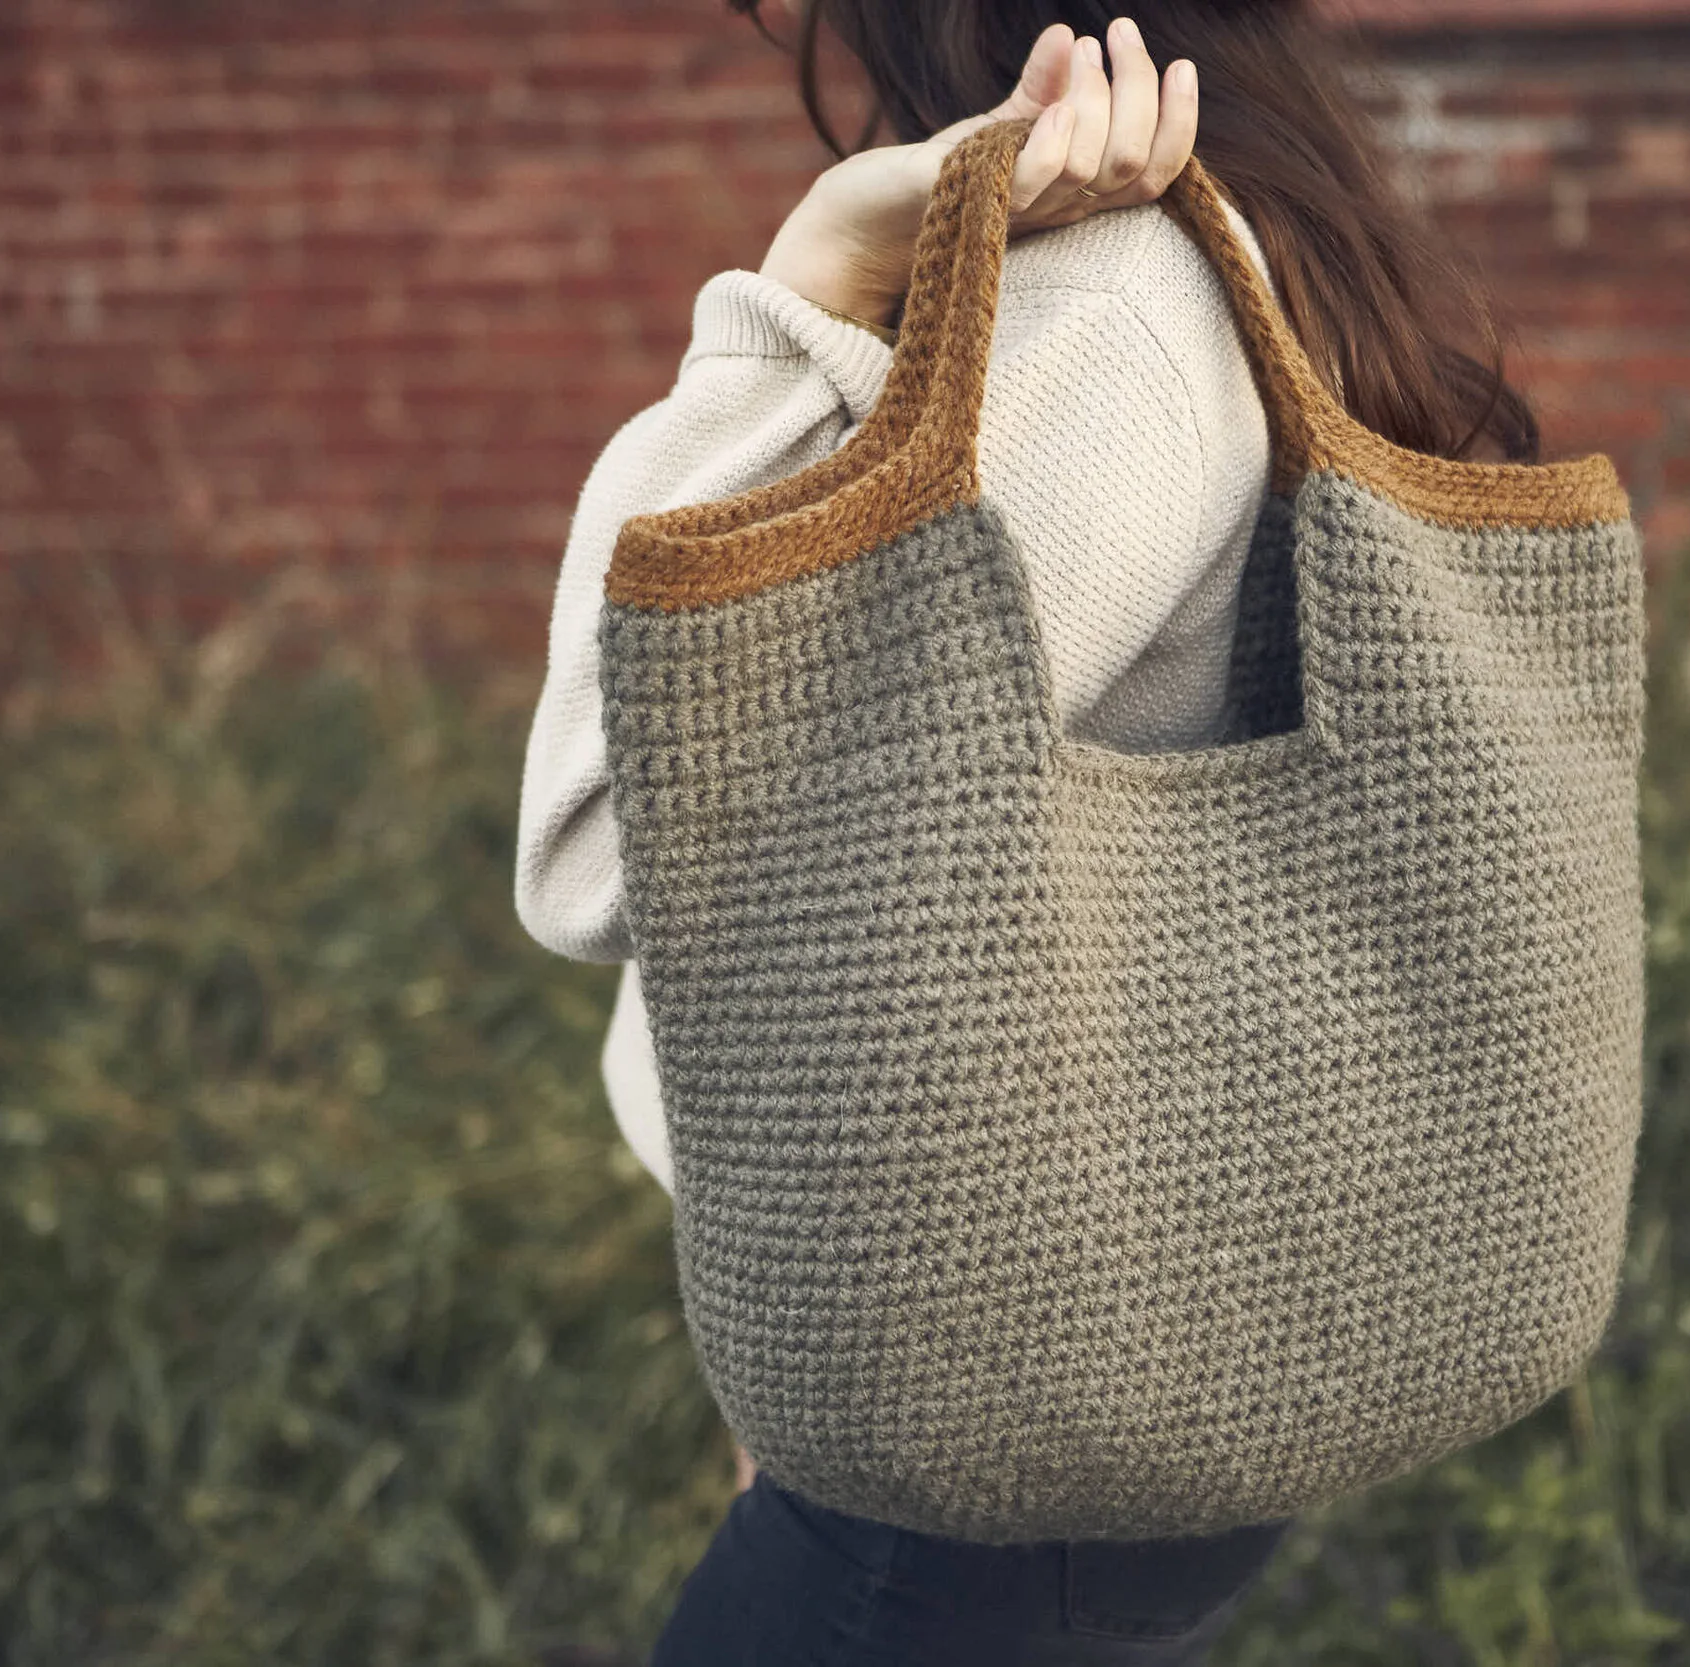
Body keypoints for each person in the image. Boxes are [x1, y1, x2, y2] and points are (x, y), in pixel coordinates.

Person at [513, 4, 1547, 1661]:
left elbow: (591, 847)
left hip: (976, 1449)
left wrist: (786, 305)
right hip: (1100, 1361)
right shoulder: (1258, 243)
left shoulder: (1109, 317)